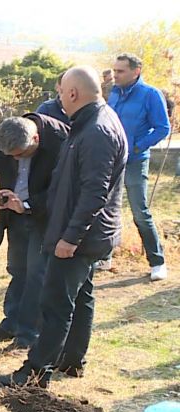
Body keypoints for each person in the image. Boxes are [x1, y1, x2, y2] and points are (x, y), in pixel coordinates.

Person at [0, 67, 126, 387]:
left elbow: (95, 193)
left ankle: (35, 372)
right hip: (83, 232)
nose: (59, 99)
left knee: (55, 304)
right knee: (81, 297)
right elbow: (68, 186)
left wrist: (70, 238)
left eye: (61, 92)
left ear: (73, 93)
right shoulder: (88, 124)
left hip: (79, 236)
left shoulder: (97, 131)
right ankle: (72, 360)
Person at [0, 114, 70, 350]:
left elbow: (62, 189)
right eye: (11, 156)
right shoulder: (5, 135)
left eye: (21, 154)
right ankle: (11, 324)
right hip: (14, 217)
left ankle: (28, 334)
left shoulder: (59, 140)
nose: (15, 159)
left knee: (36, 273)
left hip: (45, 217)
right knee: (18, 269)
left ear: (35, 138)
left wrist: (29, 204)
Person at [107, 53, 170, 281]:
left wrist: (136, 147)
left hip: (135, 161)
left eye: (120, 71)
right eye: (114, 70)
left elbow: (163, 128)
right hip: (111, 160)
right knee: (104, 208)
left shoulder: (150, 95)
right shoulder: (113, 94)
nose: (115, 75)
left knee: (139, 212)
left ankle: (157, 262)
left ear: (136, 71)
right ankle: (104, 257)